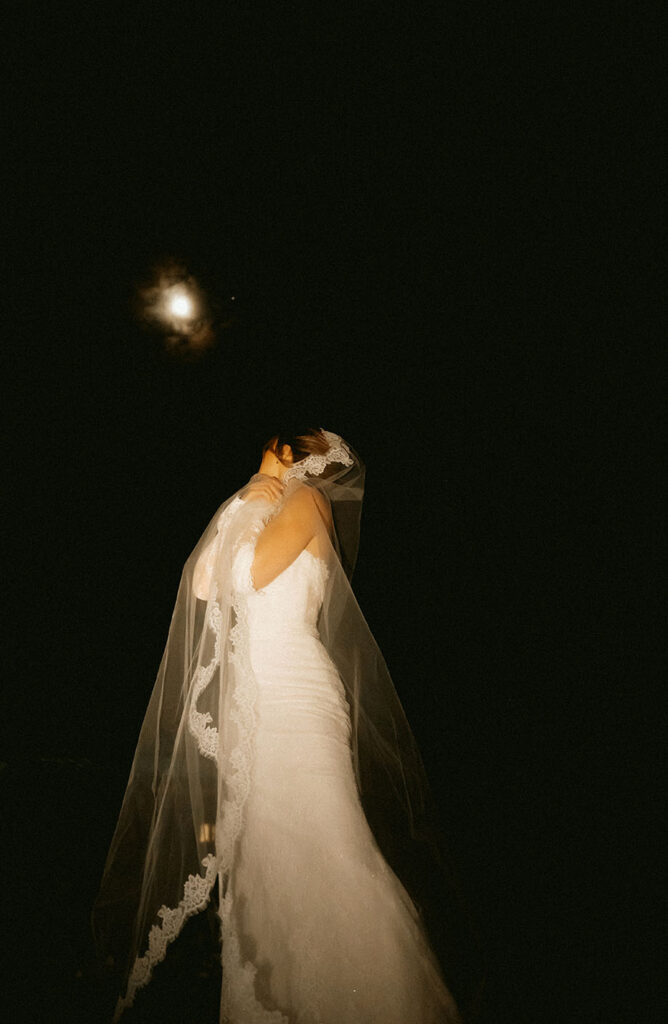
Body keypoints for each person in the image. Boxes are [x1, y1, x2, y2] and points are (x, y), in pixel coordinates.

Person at [91, 428, 465, 1023]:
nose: (261, 462)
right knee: (266, 866)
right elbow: (203, 584)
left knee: (325, 846)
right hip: (255, 707)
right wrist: (244, 500)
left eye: (270, 452)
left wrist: (258, 498)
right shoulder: (258, 504)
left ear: (296, 456)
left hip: (296, 697)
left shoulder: (304, 503)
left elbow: (254, 574)